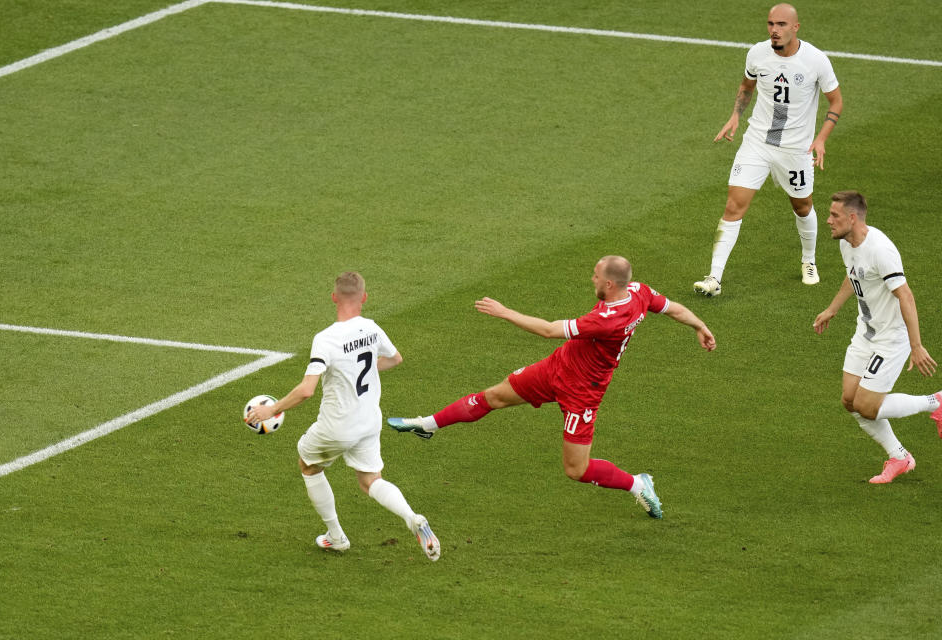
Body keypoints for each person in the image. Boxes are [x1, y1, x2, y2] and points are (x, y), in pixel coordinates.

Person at [388, 256, 716, 519]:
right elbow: (673, 308)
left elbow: (548, 330)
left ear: (609, 283)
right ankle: (427, 424)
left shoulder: (607, 319)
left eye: (595, 276)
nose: (592, 279)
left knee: (576, 469)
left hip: (582, 392)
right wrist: (700, 325)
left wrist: (504, 312)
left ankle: (636, 484)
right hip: (557, 367)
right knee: (494, 396)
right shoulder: (640, 292)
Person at [246, 271, 440, 560]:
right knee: (370, 480)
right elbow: (395, 359)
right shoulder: (372, 328)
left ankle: (336, 536)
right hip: (369, 421)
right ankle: (412, 517)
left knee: (308, 465)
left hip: (337, 426)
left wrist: (271, 410)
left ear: (334, 297)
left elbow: (307, 390)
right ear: (364, 298)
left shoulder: (326, 339)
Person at [694, 3, 843, 297]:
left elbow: (836, 101)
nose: (774, 30)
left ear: (795, 27)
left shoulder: (816, 61)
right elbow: (747, 86)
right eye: (770, 24)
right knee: (733, 206)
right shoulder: (757, 53)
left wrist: (822, 138)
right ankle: (714, 278)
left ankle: (809, 260)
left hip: (796, 150)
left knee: (802, 206)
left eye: (781, 25)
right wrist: (736, 115)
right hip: (757, 143)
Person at [813, 191, 942, 483]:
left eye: (834, 215)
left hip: (890, 338)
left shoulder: (880, 250)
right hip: (866, 332)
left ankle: (935, 402)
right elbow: (854, 275)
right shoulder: (848, 243)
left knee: (867, 406)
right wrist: (832, 309)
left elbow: (905, 295)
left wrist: (916, 345)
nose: (828, 220)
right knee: (850, 400)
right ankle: (899, 457)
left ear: (852, 217)